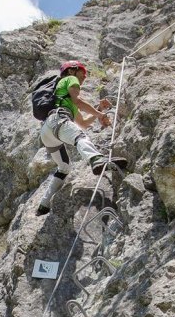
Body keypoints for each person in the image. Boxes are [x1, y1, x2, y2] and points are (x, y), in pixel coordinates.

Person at [35, 60, 126, 216]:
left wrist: (98, 111)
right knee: (79, 137)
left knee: (64, 167)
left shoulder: (63, 99)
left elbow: (82, 122)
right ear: (72, 71)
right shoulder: (70, 79)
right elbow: (78, 101)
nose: (84, 76)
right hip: (58, 120)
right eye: (82, 72)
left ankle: (44, 204)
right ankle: (96, 160)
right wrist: (100, 115)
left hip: (48, 131)